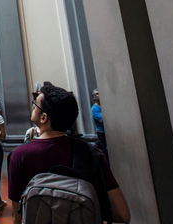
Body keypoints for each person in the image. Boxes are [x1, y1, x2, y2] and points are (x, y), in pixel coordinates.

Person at [8, 83, 130, 224]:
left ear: (43, 118)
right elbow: (123, 215)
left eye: (35, 104)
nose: (33, 106)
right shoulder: (91, 152)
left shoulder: (20, 156)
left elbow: (17, 217)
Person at [91, 88, 110, 165]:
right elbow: (103, 120)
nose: (98, 95)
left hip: (107, 132)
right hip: (102, 132)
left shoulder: (103, 106)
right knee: (105, 151)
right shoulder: (94, 108)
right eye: (96, 94)